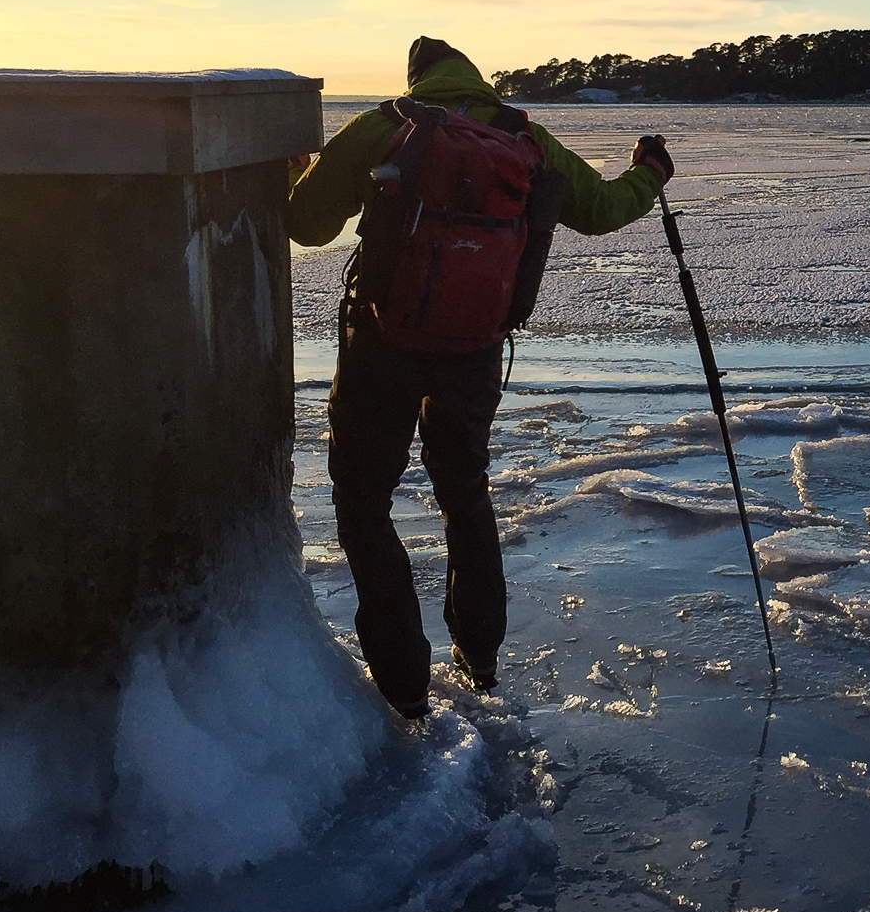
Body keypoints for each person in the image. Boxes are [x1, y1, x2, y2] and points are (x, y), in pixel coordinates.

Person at [288, 36, 672, 718]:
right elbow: (605, 209)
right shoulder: (524, 137)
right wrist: (649, 172)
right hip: (474, 345)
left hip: (383, 340)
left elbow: (308, 224)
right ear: (478, 79)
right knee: (464, 488)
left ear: (419, 79)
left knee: (363, 497)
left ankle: (404, 683)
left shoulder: (384, 126)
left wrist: (292, 174)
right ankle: (479, 656)